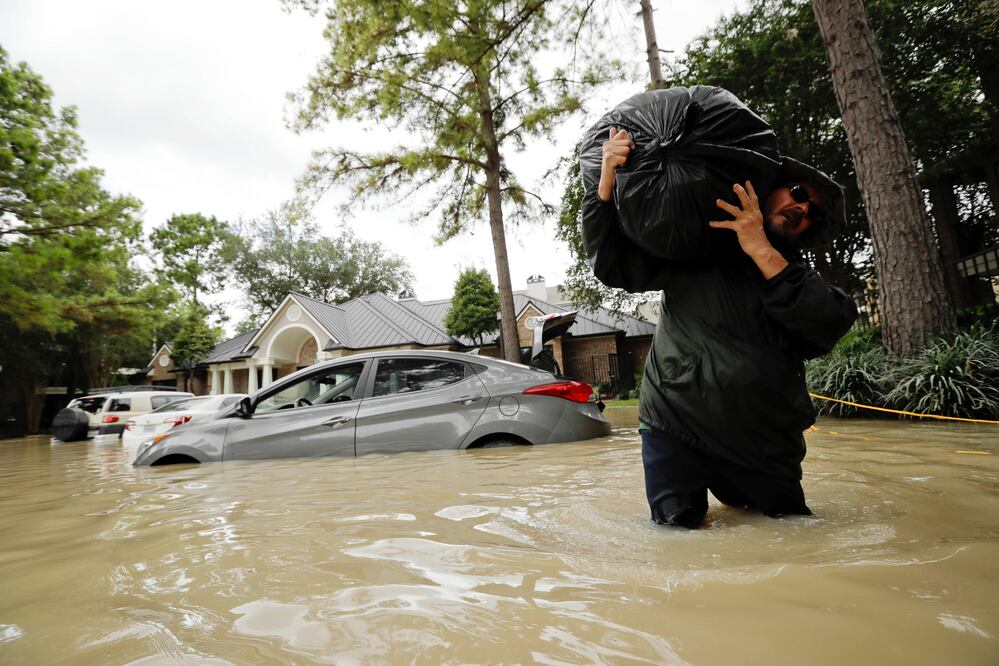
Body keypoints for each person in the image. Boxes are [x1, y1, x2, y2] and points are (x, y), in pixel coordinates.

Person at [582, 128, 858, 528]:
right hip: (674, 420)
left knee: (792, 531)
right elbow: (614, 265)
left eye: (812, 212)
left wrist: (759, 246)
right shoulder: (693, 244)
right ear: (768, 189)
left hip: (764, 441)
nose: (803, 209)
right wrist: (605, 187)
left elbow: (827, 325)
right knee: (678, 536)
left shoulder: (797, 276)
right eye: (798, 193)